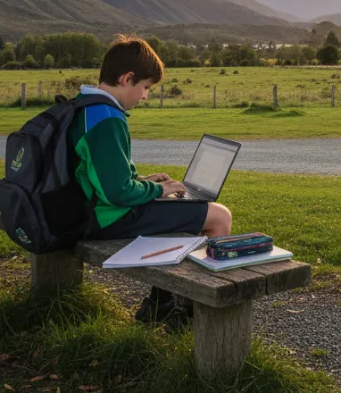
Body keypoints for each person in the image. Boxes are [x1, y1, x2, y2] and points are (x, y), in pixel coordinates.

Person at [68, 35, 231, 324]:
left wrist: (144, 180)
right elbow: (117, 193)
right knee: (218, 216)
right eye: (145, 88)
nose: (145, 96)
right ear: (127, 78)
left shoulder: (84, 105)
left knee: (184, 211)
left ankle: (161, 303)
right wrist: (157, 188)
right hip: (103, 218)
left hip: (82, 210)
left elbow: (97, 175)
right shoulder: (107, 118)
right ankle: (195, 316)